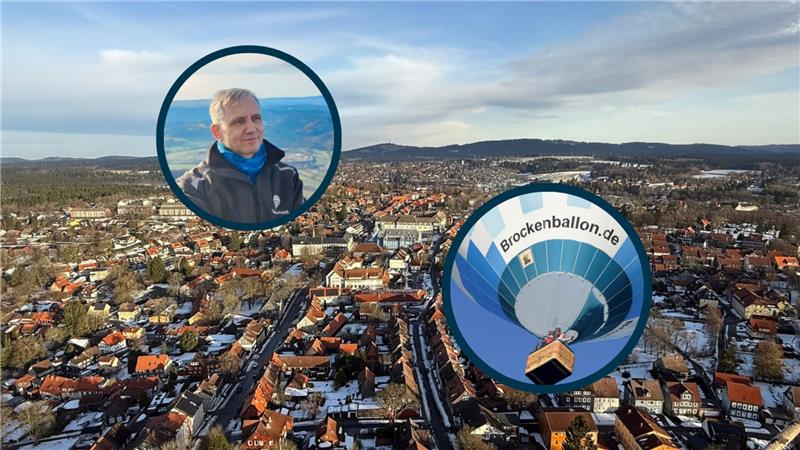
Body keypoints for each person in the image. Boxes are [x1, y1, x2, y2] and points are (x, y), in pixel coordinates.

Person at [176, 88, 304, 224]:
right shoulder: (193, 188)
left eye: (256, 118)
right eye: (239, 121)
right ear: (217, 132)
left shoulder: (287, 176)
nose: (251, 128)